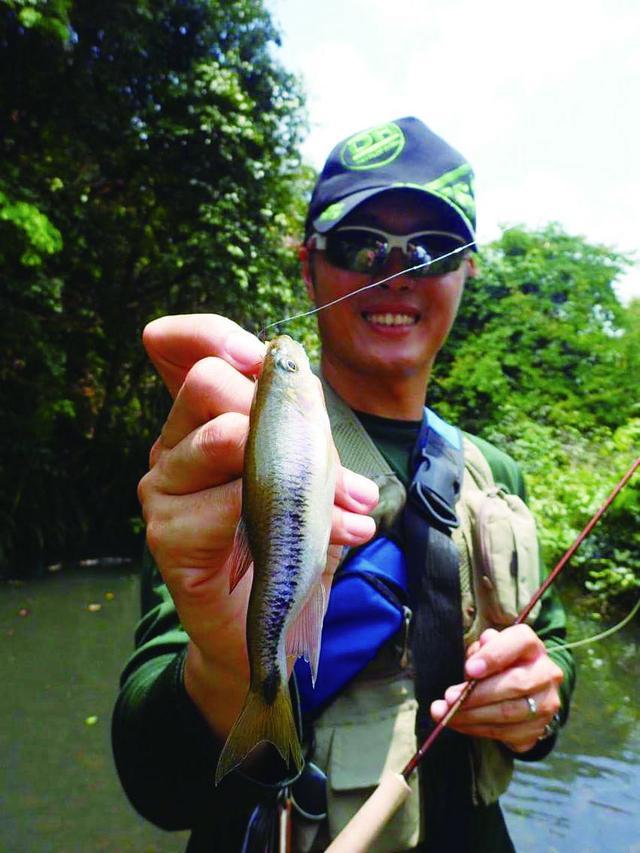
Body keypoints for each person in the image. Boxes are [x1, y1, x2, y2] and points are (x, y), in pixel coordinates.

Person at [112, 117, 575, 852]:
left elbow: (550, 646)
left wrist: (540, 700)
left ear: (468, 269)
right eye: (361, 245)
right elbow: (158, 786)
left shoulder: (495, 470)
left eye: (431, 249)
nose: (397, 274)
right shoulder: (226, 455)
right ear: (308, 267)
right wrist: (227, 665)